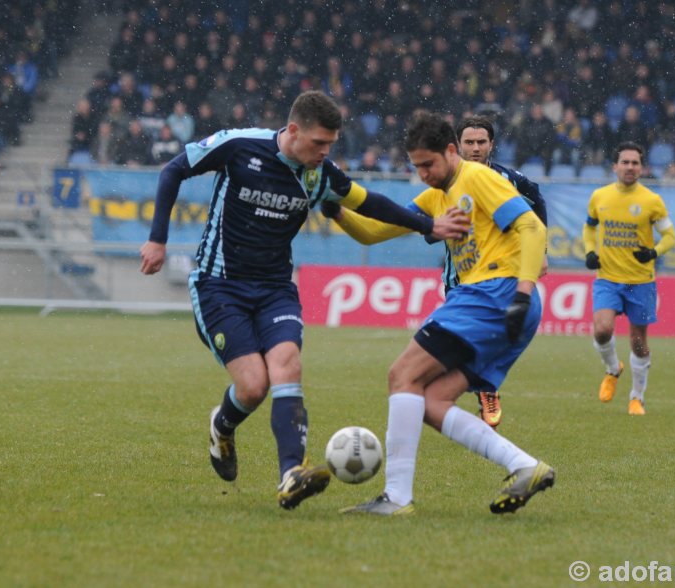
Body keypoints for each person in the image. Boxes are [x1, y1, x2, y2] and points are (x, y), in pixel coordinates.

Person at [139, 91, 469, 510]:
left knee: (287, 365)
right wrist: (157, 239)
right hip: (219, 285)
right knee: (254, 386)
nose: (325, 152)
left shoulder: (320, 174)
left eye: (331, 144)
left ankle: (291, 473)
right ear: (293, 131)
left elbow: (371, 203)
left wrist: (428, 225)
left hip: (276, 288)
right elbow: (173, 170)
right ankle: (222, 426)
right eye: (319, 143)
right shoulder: (240, 145)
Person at [339, 113, 554, 516]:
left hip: (496, 293)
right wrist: (334, 207)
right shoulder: (437, 193)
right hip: (497, 300)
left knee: (402, 376)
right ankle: (524, 466)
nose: (422, 174)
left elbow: (533, 229)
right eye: (416, 166)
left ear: (451, 151)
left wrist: (522, 293)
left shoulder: (476, 177)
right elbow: (371, 231)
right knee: (432, 401)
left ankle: (397, 498)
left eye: (428, 165)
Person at [583, 141, 675, 416]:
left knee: (638, 342)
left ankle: (637, 397)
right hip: (608, 278)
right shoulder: (599, 196)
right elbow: (589, 229)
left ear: (642, 167)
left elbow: (671, 236)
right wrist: (590, 251)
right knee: (602, 329)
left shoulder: (651, 201)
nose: (630, 167)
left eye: (635, 163)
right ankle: (613, 369)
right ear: (615, 166)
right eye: (625, 162)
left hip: (641, 281)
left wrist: (654, 252)